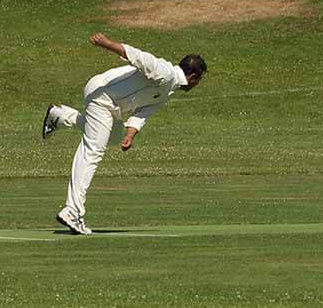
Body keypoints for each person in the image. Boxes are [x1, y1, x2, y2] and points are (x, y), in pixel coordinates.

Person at [42, 33, 207, 235]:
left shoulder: (167, 91)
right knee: (93, 150)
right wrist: (106, 43)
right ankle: (72, 211)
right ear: (193, 77)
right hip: (102, 96)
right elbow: (137, 55)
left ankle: (58, 116)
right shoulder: (166, 72)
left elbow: (143, 113)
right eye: (199, 80)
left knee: (111, 136)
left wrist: (130, 134)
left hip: (112, 105)